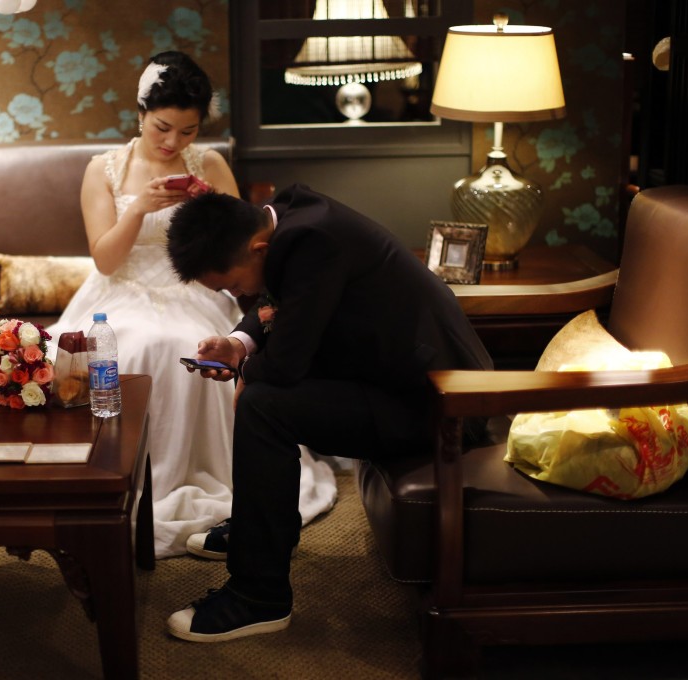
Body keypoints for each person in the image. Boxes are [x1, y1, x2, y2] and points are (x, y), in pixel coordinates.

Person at [163, 185, 493, 641]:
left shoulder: (313, 241)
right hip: (395, 380)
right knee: (262, 398)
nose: (238, 294)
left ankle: (258, 598)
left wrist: (245, 372)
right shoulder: (285, 219)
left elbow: (285, 365)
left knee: (262, 407)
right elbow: (278, 299)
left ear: (258, 249)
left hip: (440, 403)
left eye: (233, 285)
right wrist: (239, 344)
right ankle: (262, 533)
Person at [46, 52, 337, 559]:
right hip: (120, 292)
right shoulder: (103, 170)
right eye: (162, 128)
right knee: (132, 344)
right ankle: (118, 481)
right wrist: (139, 208)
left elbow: (245, 245)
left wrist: (206, 205)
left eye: (188, 131)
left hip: (194, 288)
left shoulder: (210, 163)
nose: (172, 142)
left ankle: (204, 474)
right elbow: (106, 260)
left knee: (187, 345)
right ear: (141, 112)